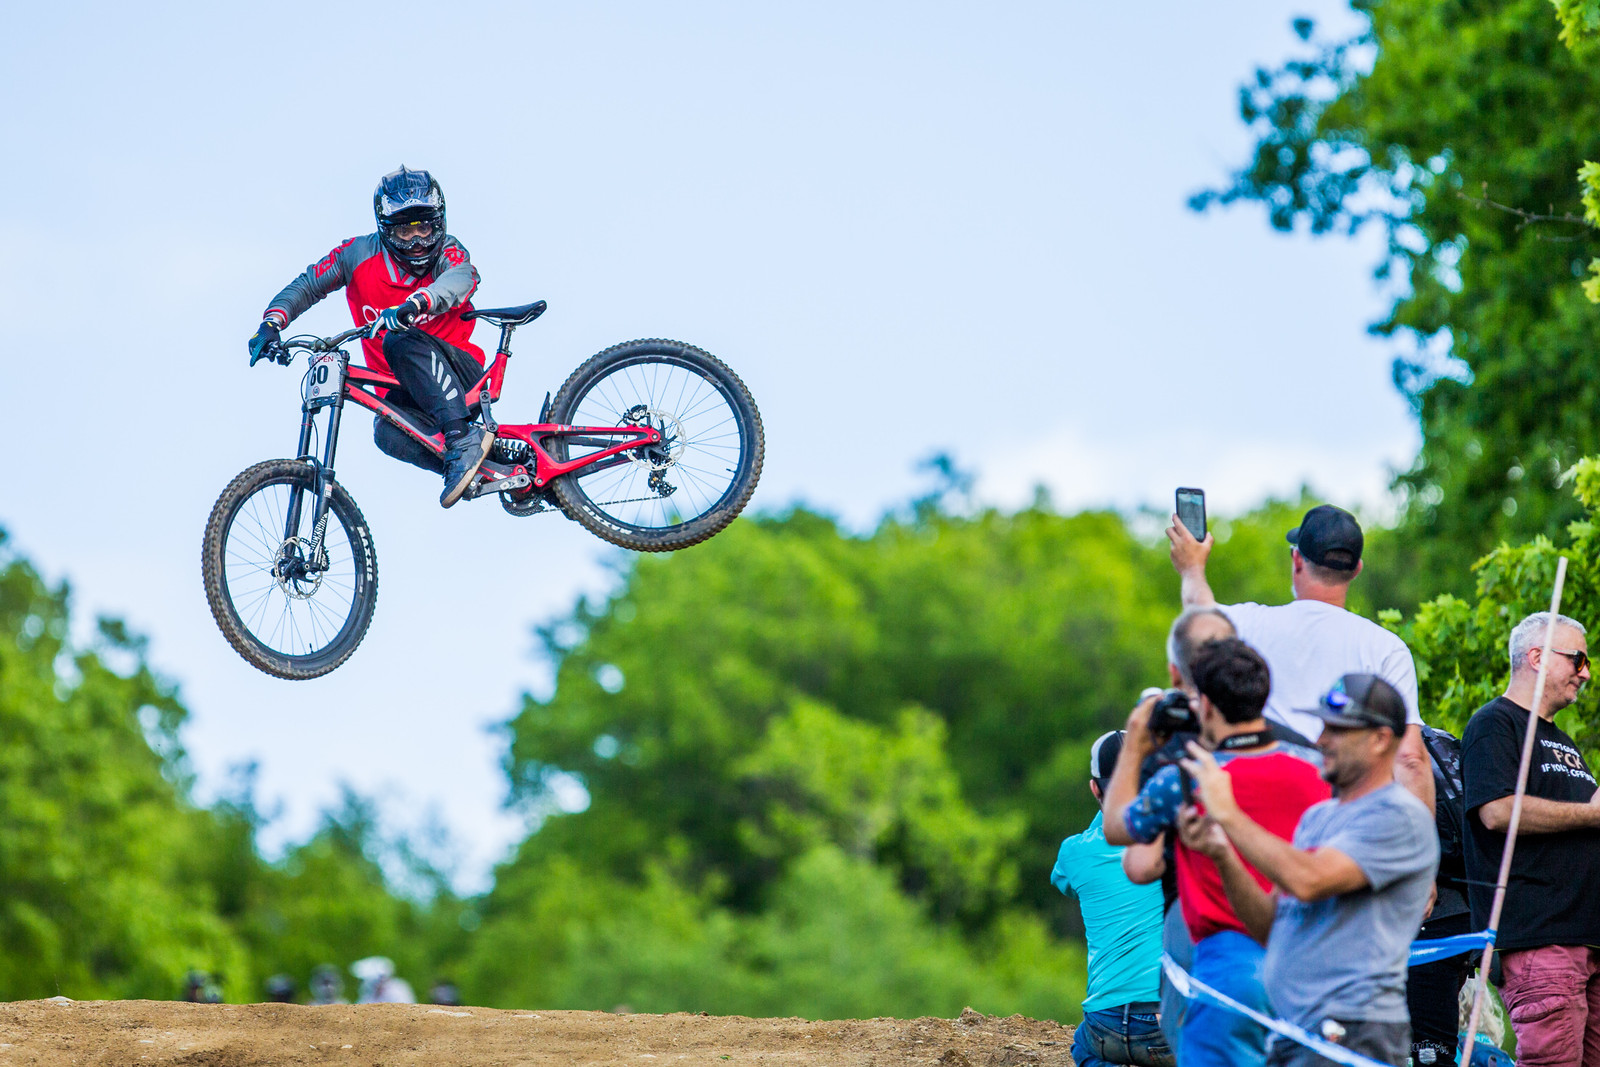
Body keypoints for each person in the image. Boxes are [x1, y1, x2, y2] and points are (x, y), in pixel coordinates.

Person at [1179, 674, 1438, 1067]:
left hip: (1353, 1033)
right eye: (1322, 726)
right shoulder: (1316, 818)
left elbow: (1309, 880)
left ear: (1381, 739)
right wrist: (1222, 854)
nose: (1320, 740)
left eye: (1338, 729)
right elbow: (1270, 927)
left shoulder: (1400, 817)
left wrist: (1229, 814)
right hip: (1294, 1030)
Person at [1103, 638, 1330, 1067]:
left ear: (1204, 706)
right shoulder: (1317, 770)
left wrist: (1135, 743)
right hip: (1311, 968)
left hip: (1227, 969)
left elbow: (1117, 827)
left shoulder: (1187, 781)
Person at [246, 165, 494, 508]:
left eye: (424, 227)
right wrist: (272, 322)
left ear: (440, 222)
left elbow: (463, 277)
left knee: (397, 338)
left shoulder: (448, 251)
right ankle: (475, 466)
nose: (419, 241)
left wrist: (417, 303)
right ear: (385, 229)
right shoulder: (357, 254)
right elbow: (308, 284)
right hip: (402, 391)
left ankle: (463, 440)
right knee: (386, 433)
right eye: (406, 233)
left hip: (460, 376)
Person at [1168, 503, 1435, 813]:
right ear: (1356, 569)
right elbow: (1410, 758)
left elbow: (1199, 612)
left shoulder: (1249, 624)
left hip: (1256, 804)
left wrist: (1192, 568)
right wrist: (1420, 851)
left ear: (1297, 559)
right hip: (1343, 815)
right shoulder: (1386, 647)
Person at [1462, 610, 1600, 1067]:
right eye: (1577, 659)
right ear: (1537, 657)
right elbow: (1496, 810)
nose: (1586, 673)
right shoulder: (1494, 723)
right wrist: (1589, 812)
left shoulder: (1564, 741)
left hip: (1586, 942)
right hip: (1542, 943)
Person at [1052, 730, 1172, 1067]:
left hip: (1104, 1022)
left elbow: (1064, 881)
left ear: (1094, 788)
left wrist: (1107, 811)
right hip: (1165, 1018)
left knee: (1083, 1046)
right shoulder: (1168, 844)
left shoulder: (1073, 852)